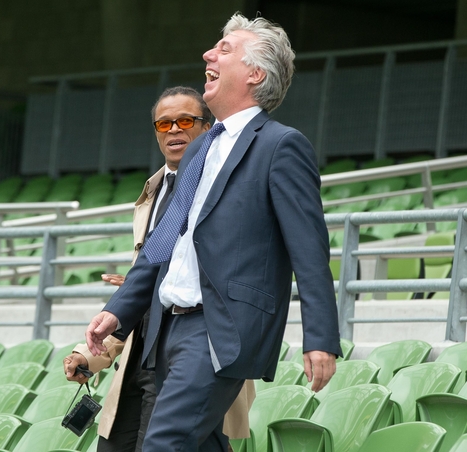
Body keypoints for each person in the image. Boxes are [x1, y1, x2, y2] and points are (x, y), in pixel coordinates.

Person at [85, 13, 341, 452]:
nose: (208, 53)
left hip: (219, 331)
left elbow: (309, 249)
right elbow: (165, 238)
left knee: (163, 443)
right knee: (200, 444)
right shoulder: (202, 144)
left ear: (255, 73)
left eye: (224, 49)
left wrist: (321, 338)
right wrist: (120, 311)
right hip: (167, 328)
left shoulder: (281, 145)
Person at [63, 86, 254, 452]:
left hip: (194, 347)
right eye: (163, 124)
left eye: (185, 121)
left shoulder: (225, 186)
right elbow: (141, 282)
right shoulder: (151, 192)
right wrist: (88, 355)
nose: (173, 131)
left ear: (208, 126)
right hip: (142, 352)